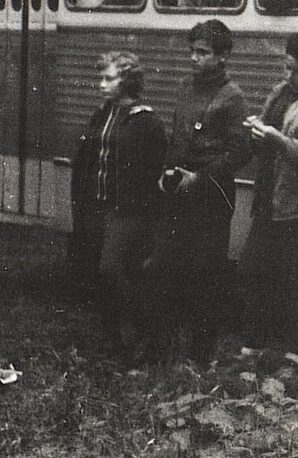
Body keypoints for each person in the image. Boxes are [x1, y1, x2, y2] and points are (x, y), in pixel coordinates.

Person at [158, 19, 251, 364]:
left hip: (211, 195)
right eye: (192, 52)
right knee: (170, 267)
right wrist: (165, 172)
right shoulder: (185, 87)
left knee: (206, 273)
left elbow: (240, 152)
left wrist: (200, 177)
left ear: (223, 57)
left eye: (203, 53)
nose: (194, 59)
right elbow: (177, 135)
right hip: (178, 191)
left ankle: (202, 353)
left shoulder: (233, 97)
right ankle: (168, 347)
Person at [70, 51, 167, 364]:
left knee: (112, 270)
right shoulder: (103, 114)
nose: (102, 85)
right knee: (96, 275)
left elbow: (152, 173)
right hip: (96, 206)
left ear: (128, 82)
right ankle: (113, 341)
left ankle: (149, 336)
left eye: (109, 79)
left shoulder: (146, 122)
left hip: (126, 211)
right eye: (102, 78)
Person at [241, 32, 298, 361]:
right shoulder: (282, 92)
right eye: (285, 68)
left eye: (293, 70)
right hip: (269, 195)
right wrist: (256, 133)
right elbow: (267, 132)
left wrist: (277, 139)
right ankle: (254, 346)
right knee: (253, 269)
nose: (286, 75)